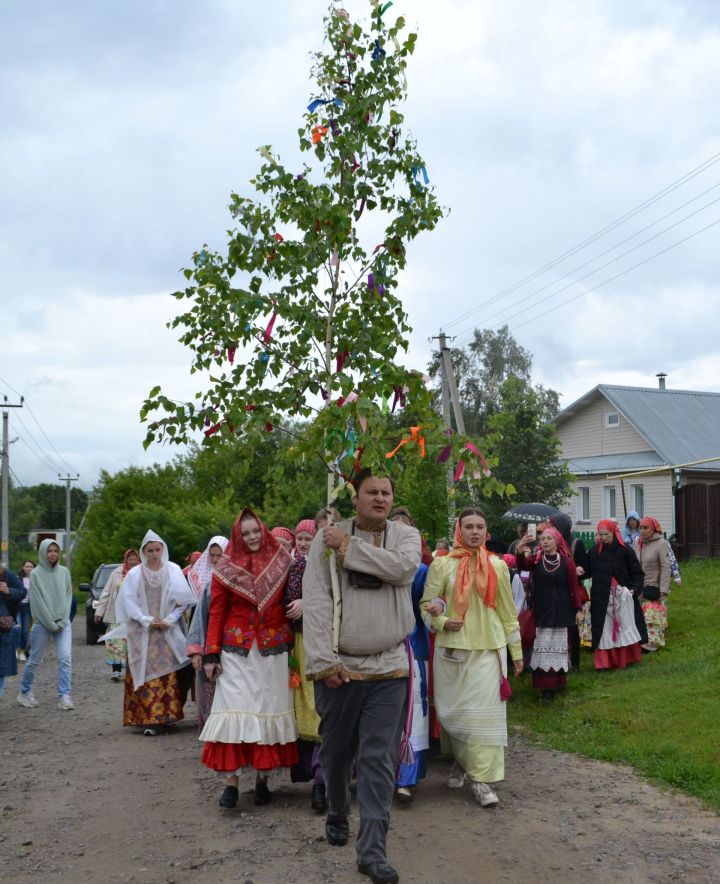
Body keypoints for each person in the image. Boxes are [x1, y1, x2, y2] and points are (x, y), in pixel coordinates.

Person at [303, 470, 421, 884]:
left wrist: (349, 547)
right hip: (339, 667)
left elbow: (403, 570)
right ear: (355, 498)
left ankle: (372, 851)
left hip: (390, 666)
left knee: (378, 760)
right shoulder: (325, 538)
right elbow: (316, 602)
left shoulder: (406, 537)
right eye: (372, 491)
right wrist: (321, 661)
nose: (381, 498)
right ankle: (337, 807)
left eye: (387, 492)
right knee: (336, 754)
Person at [420, 509, 522, 808]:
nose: (475, 532)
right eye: (469, 527)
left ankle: (482, 780)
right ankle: (462, 762)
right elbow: (426, 604)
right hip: (452, 649)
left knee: (483, 716)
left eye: (480, 526)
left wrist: (516, 652)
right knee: (455, 713)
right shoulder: (442, 564)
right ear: (459, 530)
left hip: (489, 649)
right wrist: (441, 621)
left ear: (486, 531)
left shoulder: (497, 565)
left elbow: (507, 611)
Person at [200, 509, 298, 809]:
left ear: (263, 530)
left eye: (256, 531)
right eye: (246, 533)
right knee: (234, 709)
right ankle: (230, 783)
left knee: (267, 708)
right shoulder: (225, 569)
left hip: (274, 648)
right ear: (237, 536)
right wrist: (211, 653)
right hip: (236, 649)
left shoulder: (283, 561)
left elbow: (293, 595)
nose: (252, 537)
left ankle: (262, 780)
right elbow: (216, 611)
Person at [108, 530, 196, 735]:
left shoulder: (172, 570)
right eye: (150, 550)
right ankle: (147, 718)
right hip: (143, 633)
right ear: (143, 552)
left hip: (167, 631)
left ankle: (166, 716)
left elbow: (183, 601)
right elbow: (128, 602)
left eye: (157, 549)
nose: (154, 554)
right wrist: (146, 620)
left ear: (163, 550)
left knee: (169, 673)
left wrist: (169, 620)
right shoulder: (135, 574)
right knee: (146, 673)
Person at [285, 518, 327, 812]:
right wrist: (296, 605)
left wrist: (306, 604)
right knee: (306, 705)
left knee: (326, 707)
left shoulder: (328, 564)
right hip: (302, 640)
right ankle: (313, 775)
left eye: (308, 539)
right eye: (299, 539)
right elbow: (288, 601)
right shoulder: (295, 566)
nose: (302, 544)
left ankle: (324, 780)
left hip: (326, 640)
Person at [389, 506, 430, 807]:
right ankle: (379, 775)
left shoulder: (422, 571)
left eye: (406, 529)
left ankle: (405, 778)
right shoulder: (374, 564)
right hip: (380, 646)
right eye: (395, 528)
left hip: (412, 647)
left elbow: (428, 605)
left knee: (412, 714)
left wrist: (436, 607)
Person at [516, 527, 585, 701]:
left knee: (558, 647)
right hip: (542, 609)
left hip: (562, 608)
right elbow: (522, 565)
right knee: (542, 646)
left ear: (557, 542)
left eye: (548, 539)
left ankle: (557, 684)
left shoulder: (567, 562)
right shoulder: (537, 560)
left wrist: (578, 609)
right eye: (542, 538)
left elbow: (573, 587)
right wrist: (520, 548)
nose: (544, 541)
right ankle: (544, 686)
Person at [17, 540, 74, 710]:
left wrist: (63, 621)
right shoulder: (35, 574)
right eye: (49, 551)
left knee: (65, 659)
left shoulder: (64, 572)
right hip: (43, 623)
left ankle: (65, 696)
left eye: (56, 550)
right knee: (34, 660)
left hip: (63, 624)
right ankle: (24, 692)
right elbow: (37, 602)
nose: (53, 554)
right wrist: (50, 623)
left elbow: (68, 597)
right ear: (43, 552)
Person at [586, 520, 646, 670]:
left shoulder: (625, 550)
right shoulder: (594, 552)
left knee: (623, 626)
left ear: (613, 533)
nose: (603, 538)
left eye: (605, 534)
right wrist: (579, 569)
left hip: (622, 596)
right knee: (605, 628)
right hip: (602, 597)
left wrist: (634, 590)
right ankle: (605, 662)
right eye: (600, 535)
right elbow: (587, 570)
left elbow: (637, 573)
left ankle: (625, 659)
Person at [186, 536, 229, 728]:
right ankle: (210, 731)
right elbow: (199, 617)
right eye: (212, 555)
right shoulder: (205, 581)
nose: (215, 559)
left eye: (220, 555)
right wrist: (196, 649)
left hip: (230, 644)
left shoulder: (235, 579)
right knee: (207, 688)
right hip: (207, 640)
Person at [549, 513, 590, 669]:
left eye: (553, 526)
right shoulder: (551, 543)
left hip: (572, 591)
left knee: (572, 627)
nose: (551, 529)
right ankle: (559, 660)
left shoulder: (575, 544)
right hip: (556, 590)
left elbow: (586, 568)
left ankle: (575, 662)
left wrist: (578, 570)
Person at [94, 549, 140, 681]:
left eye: (135, 560)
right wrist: (99, 611)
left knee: (133, 644)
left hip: (134, 615)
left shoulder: (142, 573)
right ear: (126, 560)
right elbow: (107, 592)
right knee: (115, 642)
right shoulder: (116, 573)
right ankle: (116, 671)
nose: (132, 562)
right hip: (116, 615)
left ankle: (134, 672)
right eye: (130, 559)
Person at [634, 517, 671, 652]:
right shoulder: (638, 543)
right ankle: (641, 641)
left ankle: (651, 644)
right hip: (639, 585)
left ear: (653, 529)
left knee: (651, 616)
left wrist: (663, 589)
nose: (643, 531)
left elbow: (666, 567)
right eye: (641, 528)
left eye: (646, 528)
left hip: (653, 585)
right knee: (640, 615)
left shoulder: (661, 544)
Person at [0, 565, 26, 702]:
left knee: (1, 669)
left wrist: (8, 590)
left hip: (2, 628)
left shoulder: (5, 574)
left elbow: (22, 592)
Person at [14, 560, 33, 661]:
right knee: (18, 629)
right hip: (18, 606)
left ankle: (23, 650)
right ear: (23, 567)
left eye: (31, 567)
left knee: (25, 631)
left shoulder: (35, 579)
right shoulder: (17, 579)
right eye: (27, 566)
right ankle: (17, 651)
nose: (29, 568)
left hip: (28, 607)